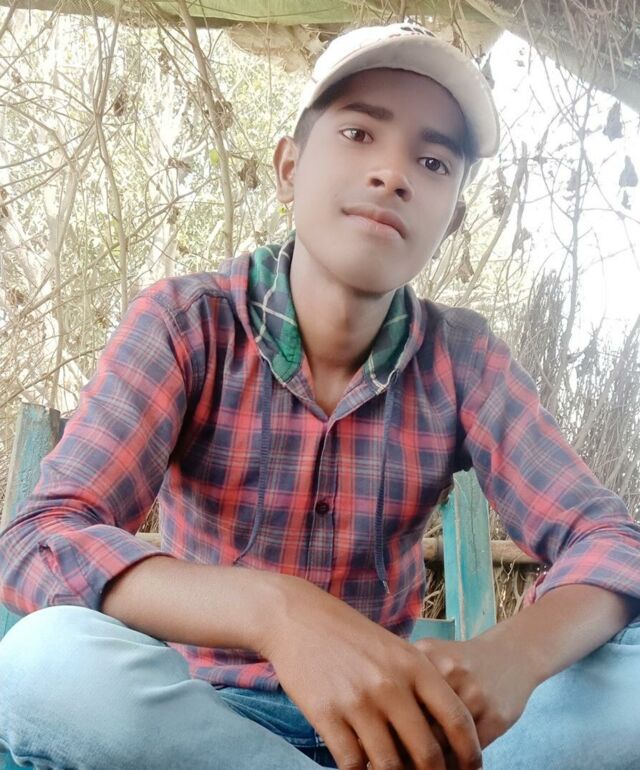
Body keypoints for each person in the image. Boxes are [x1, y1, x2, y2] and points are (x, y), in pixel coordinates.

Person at [0, 21, 639, 770]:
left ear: (451, 220)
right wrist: (277, 613)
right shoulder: (187, 324)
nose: (393, 174)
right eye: (360, 133)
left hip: (403, 732)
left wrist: (515, 655)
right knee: (41, 664)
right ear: (288, 169)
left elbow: (611, 541)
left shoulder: (464, 360)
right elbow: (40, 538)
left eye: (433, 162)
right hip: (208, 722)